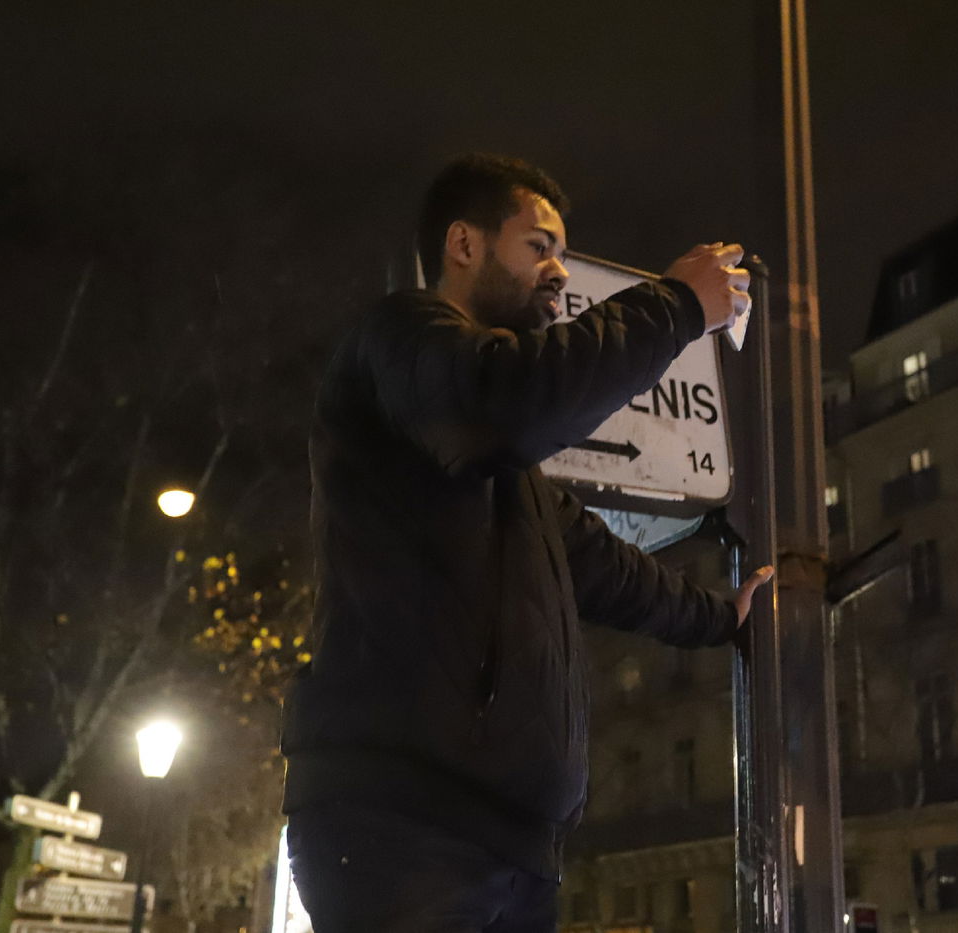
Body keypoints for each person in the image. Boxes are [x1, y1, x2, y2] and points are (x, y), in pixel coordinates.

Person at [280, 152, 775, 933]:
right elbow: (503, 400)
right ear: (463, 244)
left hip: (510, 846)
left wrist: (725, 616)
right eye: (538, 245)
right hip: (404, 829)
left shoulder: (506, 472)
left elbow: (599, 565)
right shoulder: (402, 338)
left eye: (563, 255)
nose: (559, 274)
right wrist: (677, 303)